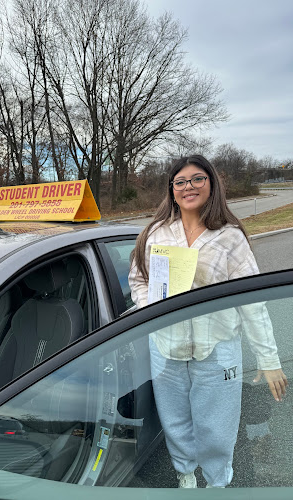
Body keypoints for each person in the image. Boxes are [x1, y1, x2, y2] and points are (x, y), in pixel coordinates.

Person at [128, 154, 287, 488]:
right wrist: (151, 306)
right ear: (172, 191)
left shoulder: (229, 237)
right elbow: (138, 280)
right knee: (175, 422)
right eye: (181, 182)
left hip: (216, 350)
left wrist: (268, 359)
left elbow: (251, 302)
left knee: (217, 426)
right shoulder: (156, 234)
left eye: (198, 179)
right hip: (165, 347)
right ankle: (185, 476)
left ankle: (218, 484)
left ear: (211, 184)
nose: (189, 187)